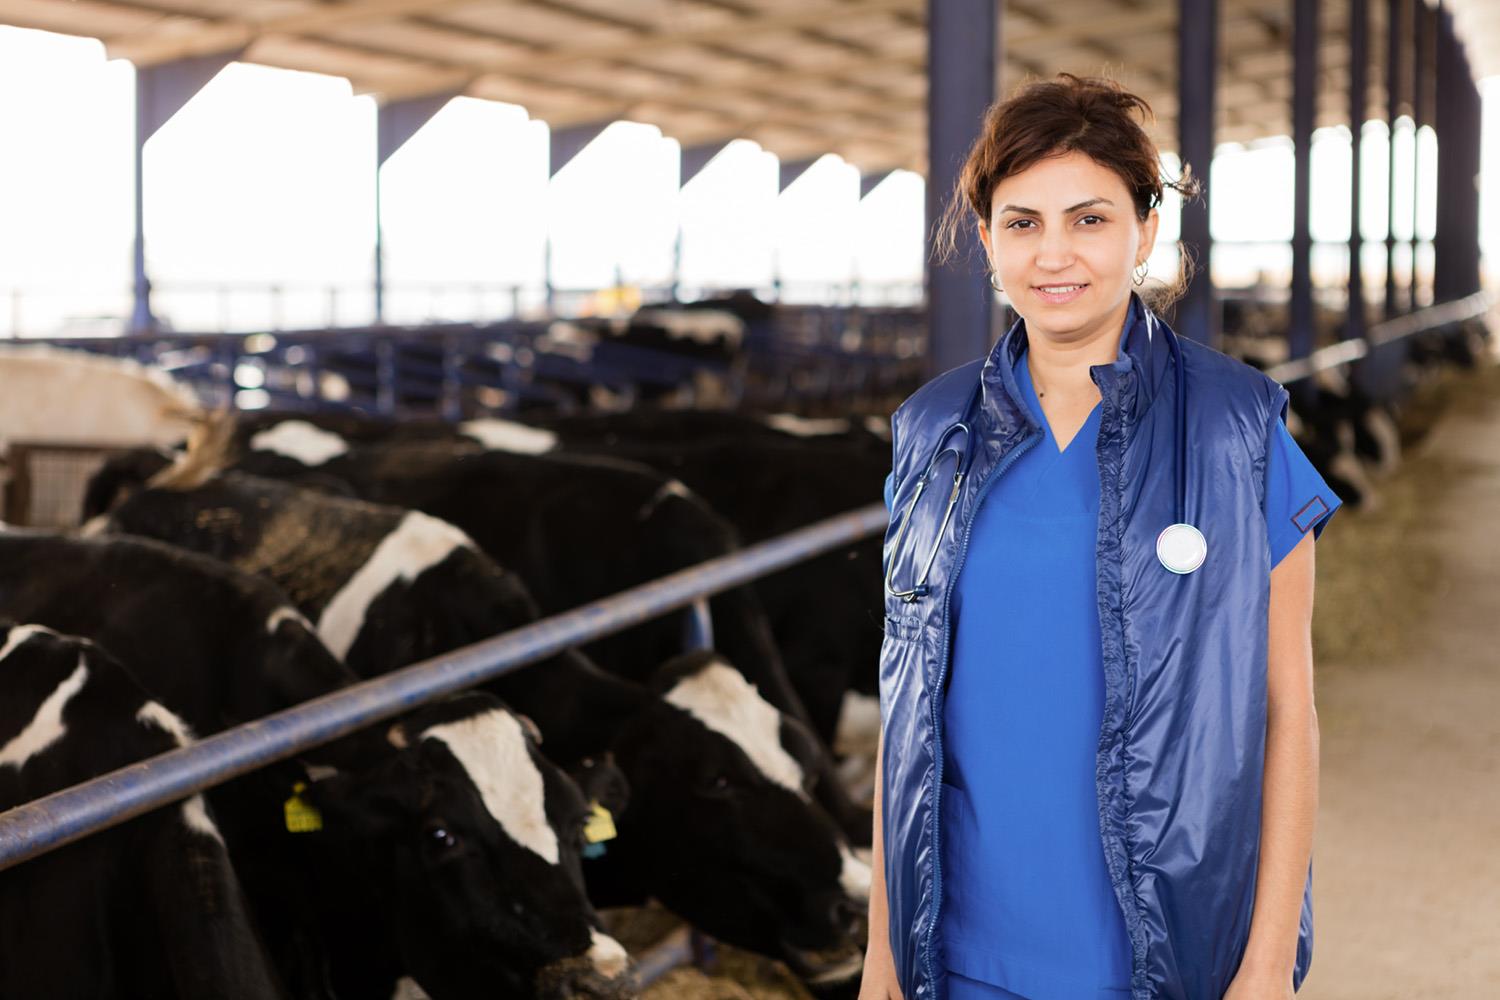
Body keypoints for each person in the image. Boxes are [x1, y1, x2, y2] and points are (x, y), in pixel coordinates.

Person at [862, 74, 1340, 1000]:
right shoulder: (931, 432)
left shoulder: (1236, 429)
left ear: (1145, 230)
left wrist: (1270, 963)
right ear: (988, 240)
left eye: (1089, 219)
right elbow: (904, 713)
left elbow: (1288, 716)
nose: (1054, 256)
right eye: (1021, 222)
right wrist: (884, 950)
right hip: (959, 954)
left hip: (1165, 954)